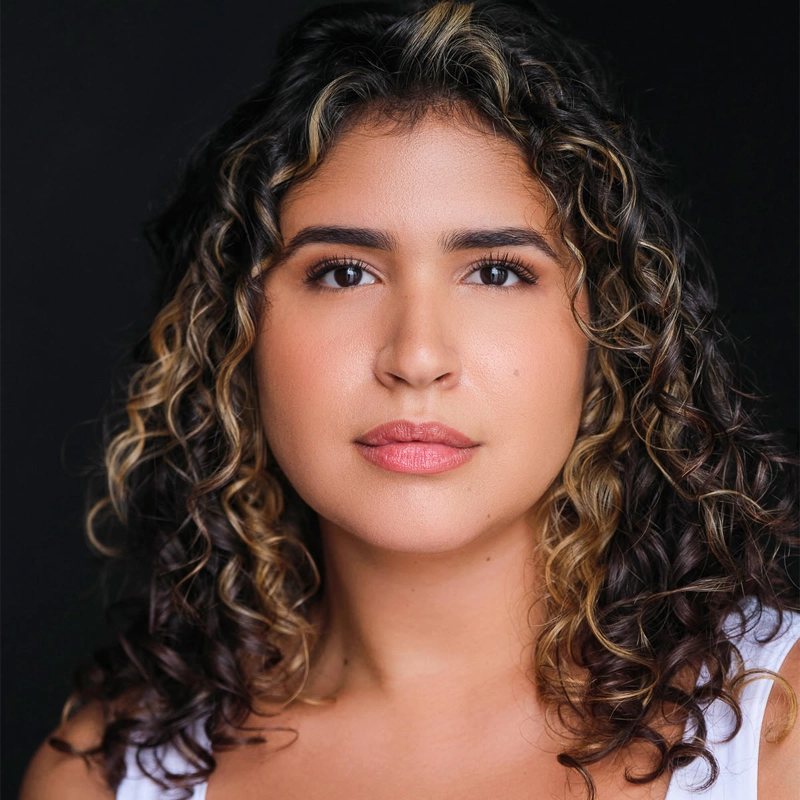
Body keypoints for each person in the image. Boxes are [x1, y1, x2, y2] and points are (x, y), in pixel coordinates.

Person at [19, 0, 800, 798]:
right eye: (342, 272)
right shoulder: (103, 776)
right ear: (232, 331)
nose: (417, 357)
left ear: (610, 333)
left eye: (497, 271)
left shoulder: (781, 732)